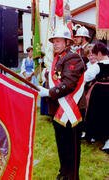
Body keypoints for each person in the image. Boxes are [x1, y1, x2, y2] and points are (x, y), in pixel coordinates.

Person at [38, 25, 86, 180]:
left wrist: (48, 92)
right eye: (54, 41)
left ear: (67, 42)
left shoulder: (72, 57)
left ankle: (72, 177)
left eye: (59, 41)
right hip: (58, 109)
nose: (55, 44)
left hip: (72, 110)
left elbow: (69, 83)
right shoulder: (58, 58)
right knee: (61, 145)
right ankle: (64, 173)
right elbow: (57, 79)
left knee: (71, 147)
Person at [84, 42, 109, 154]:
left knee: (95, 112)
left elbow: (86, 76)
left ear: (99, 53)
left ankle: (94, 135)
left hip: (100, 92)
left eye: (95, 54)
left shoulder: (98, 66)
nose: (94, 57)